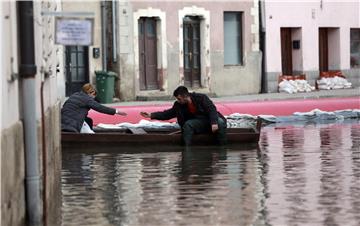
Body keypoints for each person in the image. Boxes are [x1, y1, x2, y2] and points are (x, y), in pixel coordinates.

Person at [140, 86, 227, 145]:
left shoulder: (201, 98)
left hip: (209, 120)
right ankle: (186, 151)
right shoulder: (179, 105)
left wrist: (214, 122)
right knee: (188, 125)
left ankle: (222, 147)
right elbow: (168, 114)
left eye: (179, 99)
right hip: (197, 124)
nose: (178, 101)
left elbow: (212, 109)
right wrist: (151, 115)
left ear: (185, 96)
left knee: (220, 122)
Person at [61, 83, 127, 133]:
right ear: (91, 92)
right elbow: (100, 108)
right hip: (72, 124)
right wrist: (116, 111)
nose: (93, 98)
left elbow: (65, 106)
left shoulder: (74, 95)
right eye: (94, 96)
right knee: (90, 131)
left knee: (88, 121)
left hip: (62, 122)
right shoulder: (87, 99)